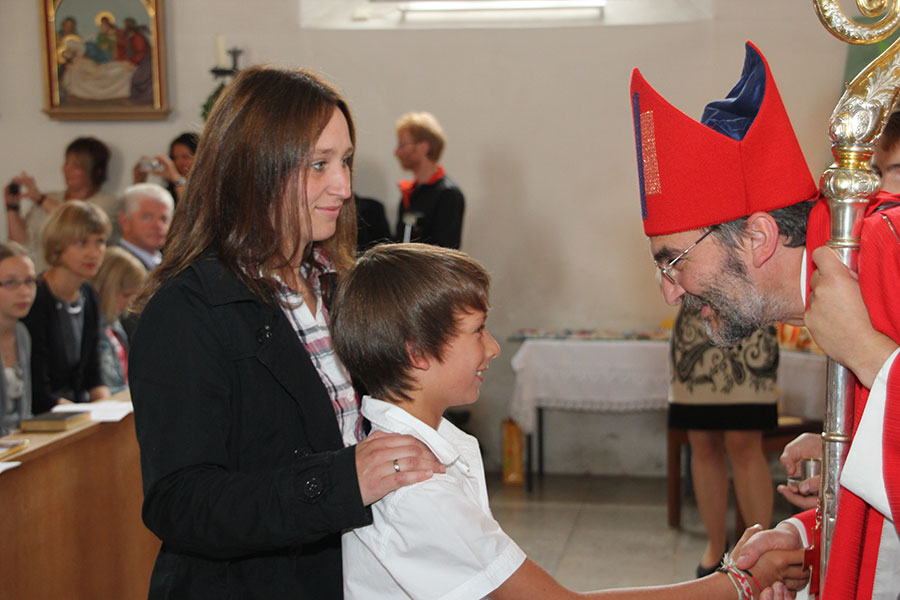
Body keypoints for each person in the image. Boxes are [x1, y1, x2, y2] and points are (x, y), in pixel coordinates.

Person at [128, 66, 444, 599]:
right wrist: (340, 481)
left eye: (344, 161)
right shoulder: (188, 309)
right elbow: (180, 502)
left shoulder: (338, 286)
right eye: (319, 164)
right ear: (253, 169)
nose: (344, 186)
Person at [332, 243, 803, 600]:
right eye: (478, 331)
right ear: (418, 352)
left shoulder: (414, 452)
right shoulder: (417, 487)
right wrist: (737, 583)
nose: (492, 348)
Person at [630, 41, 900, 597]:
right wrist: (805, 534)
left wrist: (868, 354)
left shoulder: (890, 249)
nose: (670, 294)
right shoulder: (839, 279)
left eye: (674, 262)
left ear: (758, 237)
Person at [669, 304, 778, 578]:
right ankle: (716, 547)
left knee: (745, 441)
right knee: (702, 440)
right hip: (696, 329)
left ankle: (759, 551)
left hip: (750, 320)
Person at [23, 200, 110, 415]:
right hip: (46, 415)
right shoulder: (36, 298)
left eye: (100, 241)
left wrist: (107, 407)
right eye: (81, 243)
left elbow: (93, 374)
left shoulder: (88, 294)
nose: (94, 252)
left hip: (78, 409)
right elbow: (39, 393)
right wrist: (85, 415)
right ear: (58, 245)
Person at [5, 136, 116, 272]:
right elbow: (20, 244)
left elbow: (79, 223)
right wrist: (12, 207)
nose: (67, 170)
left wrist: (41, 199)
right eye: (66, 163)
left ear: (96, 171)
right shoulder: (50, 197)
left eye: (76, 166)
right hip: (35, 276)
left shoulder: (106, 204)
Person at [392, 112, 465, 248]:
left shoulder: (448, 194)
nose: (397, 152)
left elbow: (445, 250)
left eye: (402, 145)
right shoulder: (410, 193)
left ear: (423, 147)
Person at [92, 247, 146, 394]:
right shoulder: (93, 328)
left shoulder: (115, 324)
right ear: (108, 289)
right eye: (126, 295)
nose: (129, 303)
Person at [0, 242, 36, 436]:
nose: (24, 291)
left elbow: (25, 412)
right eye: (11, 283)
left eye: (29, 281)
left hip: (17, 442)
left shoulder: (22, 333)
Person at [117, 183, 173, 271]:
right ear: (125, 221)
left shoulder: (169, 265)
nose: (158, 225)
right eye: (147, 217)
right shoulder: (115, 265)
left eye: (164, 219)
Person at [133, 132, 198, 203]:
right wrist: (139, 182)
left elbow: (191, 205)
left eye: (185, 157)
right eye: (174, 158)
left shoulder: (203, 188)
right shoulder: (168, 192)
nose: (179, 162)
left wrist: (176, 178)